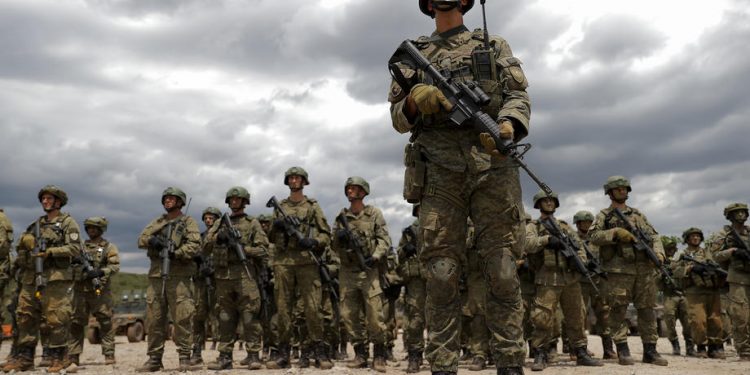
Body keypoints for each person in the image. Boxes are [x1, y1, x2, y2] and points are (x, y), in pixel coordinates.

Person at [388, 0, 531, 373]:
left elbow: (517, 96)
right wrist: (416, 103)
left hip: (492, 169)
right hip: (438, 171)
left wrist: (507, 126)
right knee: (440, 275)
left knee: (501, 270)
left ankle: (511, 362)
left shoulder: (492, 45)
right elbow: (398, 118)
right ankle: (443, 364)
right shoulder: (415, 55)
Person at [589, 176, 668, 366]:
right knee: (618, 309)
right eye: (618, 189)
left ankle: (650, 350)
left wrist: (659, 253)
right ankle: (622, 349)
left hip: (643, 269)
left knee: (647, 309)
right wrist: (615, 233)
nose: (623, 192)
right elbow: (594, 236)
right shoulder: (604, 215)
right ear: (610, 192)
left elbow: (654, 236)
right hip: (618, 270)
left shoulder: (638, 215)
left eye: (625, 189)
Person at [3, 185, 82, 373]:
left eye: (49, 198)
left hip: (56, 278)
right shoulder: (36, 224)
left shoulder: (67, 223)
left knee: (56, 317)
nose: (45, 201)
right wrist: (25, 242)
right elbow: (21, 246)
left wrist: (50, 252)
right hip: (31, 278)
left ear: (58, 202)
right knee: (24, 316)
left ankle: (59, 358)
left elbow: (75, 249)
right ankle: (24, 358)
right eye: (43, 199)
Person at [525, 191, 601, 371]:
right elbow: (527, 244)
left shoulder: (565, 227)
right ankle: (540, 353)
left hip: (570, 279)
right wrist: (547, 240)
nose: (549, 203)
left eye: (552, 200)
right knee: (542, 317)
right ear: (538, 204)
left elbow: (579, 248)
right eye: (545, 200)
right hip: (547, 278)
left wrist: (581, 263)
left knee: (577, 316)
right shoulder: (534, 226)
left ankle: (581, 352)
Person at [266, 167, 333, 370]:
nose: (294, 181)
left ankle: (318, 352)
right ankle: (283, 353)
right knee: (283, 309)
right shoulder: (280, 207)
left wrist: (313, 242)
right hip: (284, 263)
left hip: (306, 262)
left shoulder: (312, 206)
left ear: (304, 182)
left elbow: (325, 234)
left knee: (313, 308)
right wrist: (276, 225)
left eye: (298, 178)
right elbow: (269, 237)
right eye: (291, 178)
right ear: (287, 182)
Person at [205, 187, 269, 370]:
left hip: (245, 274)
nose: (234, 201)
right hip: (223, 276)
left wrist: (242, 248)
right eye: (231, 199)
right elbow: (205, 246)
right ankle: (224, 356)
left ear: (244, 201)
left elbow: (263, 250)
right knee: (225, 317)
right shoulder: (220, 223)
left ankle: (253, 355)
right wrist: (220, 237)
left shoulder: (252, 223)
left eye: (237, 199)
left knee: (250, 316)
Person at [136, 187, 200, 372]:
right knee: (154, 319)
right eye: (166, 198)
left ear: (180, 202)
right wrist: (153, 241)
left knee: (182, 317)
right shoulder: (158, 221)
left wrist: (176, 252)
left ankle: (185, 357)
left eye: (172, 198)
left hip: (179, 276)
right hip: (157, 275)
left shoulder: (188, 222)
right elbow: (141, 239)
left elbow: (195, 246)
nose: (168, 201)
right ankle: (155, 359)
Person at [332, 176, 391, 372]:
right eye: (348, 188)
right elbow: (333, 246)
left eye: (354, 188)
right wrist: (338, 238)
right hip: (348, 272)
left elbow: (385, 240)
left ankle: (380, 355)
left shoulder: (373, 214)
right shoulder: (342, 217)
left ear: (363, 191)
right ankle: (360, 354)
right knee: (349, 315)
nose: (350, 191)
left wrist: (375, 257)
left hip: (369, 271)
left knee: (374, 314)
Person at [68, 216, 120, 366]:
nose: (91, 230)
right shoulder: (79, 248)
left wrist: (100, 272)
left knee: (105, 322)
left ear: (101, 229)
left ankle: (109, 354)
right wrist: (75, 262)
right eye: (89, 227)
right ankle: (73, 356)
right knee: (76, 323)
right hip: (80, 290)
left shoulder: (108, 247)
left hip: (100, 291)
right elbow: (69, 266)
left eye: (94, 228)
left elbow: (115, 267)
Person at [674, 227, 725, 359]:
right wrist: (691, 268)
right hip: (694, 291)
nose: (695, 238)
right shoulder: (681, 254)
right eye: (692, 236)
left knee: (716, 320)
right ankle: (701, 347)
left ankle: (715, 347)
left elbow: (718, 264)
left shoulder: (708, 252)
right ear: (687, 239)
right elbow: (674, 271)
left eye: (698, 236)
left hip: (712, 290)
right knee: (698, 320)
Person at [711, 203, 750, 360]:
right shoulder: (724, 234)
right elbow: (714, 255)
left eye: (743, 212)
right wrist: (733, 251)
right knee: (740, 316)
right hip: (738, 278)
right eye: (736, 213)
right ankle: (745, 350)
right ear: (730, 215)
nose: (740, 215)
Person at [573, 210, 614, 359]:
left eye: (589, 222)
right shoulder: (573, 239)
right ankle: (578, 349)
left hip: (598, 280)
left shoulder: (597, 239)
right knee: (579, 315)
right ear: (577, 224)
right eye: (583, 222)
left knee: (604, 313)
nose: (587, 225)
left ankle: (608, 349)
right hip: (580, 282)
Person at [190, 206, 221, 364]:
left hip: (219, 281)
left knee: (221, 315)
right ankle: (196, 350)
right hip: (201, 281)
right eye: (206, 218)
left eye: (211, 218)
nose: (208, 220)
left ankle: (224, 352)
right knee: (198, 315)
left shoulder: (221, 237)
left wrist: (214, 269)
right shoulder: (200, 238)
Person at [398, 204, 426, 373]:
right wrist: (405, 250)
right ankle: (415, 355)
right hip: (416, 280)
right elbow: (400, 255)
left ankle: (441, 356)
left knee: (441, 317)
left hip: (438, 277)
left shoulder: (441, 227)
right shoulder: (409, 232)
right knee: (416, 317)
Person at [660, 238, 693, 356]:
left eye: (672, 248)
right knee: (669, 322)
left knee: (688, 322)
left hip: (684, 295)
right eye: (668, 248)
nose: (670, 251)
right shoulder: (660, 263)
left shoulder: (682, 260)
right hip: (669, 295)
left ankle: (690, 346)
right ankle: (675, 345)